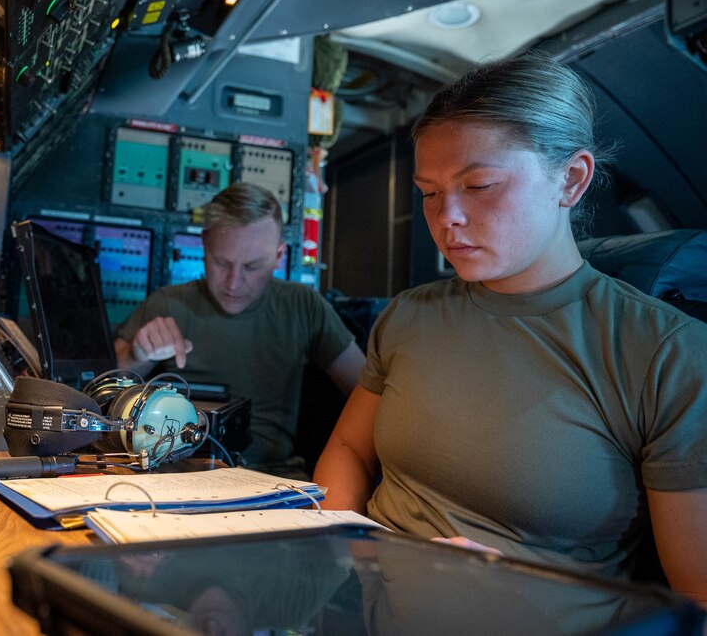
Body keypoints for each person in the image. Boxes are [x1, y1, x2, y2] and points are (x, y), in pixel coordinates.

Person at [313, 52, 707, 607]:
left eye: (479, 186)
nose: (445, 215)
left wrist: (509, 594)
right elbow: (350, 448)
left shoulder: (668, 355)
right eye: (428, 192)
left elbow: (698, 600)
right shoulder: (409, 316)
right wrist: (344, 549)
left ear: (570, 180)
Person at [114, 182, 366, 477]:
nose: (234, 283)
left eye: (252, 266)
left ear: (279, 256)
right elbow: (102, 387)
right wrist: (138, 354)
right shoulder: (167, 304)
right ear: (205, 244)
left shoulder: (303, 306)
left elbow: (368, 393)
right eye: (222, 262)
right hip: (172, 473)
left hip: (271, 479)